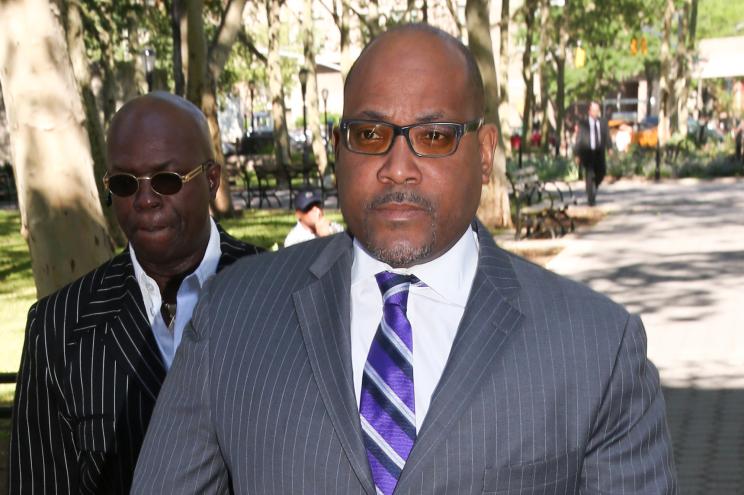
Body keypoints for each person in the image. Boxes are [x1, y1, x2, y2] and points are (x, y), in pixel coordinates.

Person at [133, 25, 676, 494]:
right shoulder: (231, 317)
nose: (397, 168)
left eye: (434, 137)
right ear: (340, 148)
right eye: (370, 134)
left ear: (484, 155)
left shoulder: (596, 349)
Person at [8, 92, 263, 494]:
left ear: (211, 180)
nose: (145, 200)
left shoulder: (286, 297)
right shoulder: (57, 327)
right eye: (126, 184)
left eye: (166, 180)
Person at [576, 101, 610, 205]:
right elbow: (579, 139)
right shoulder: (583, 123)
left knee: (602, 172)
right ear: (589, 111)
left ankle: (594, 184)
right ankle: (591, 198)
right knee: (589, 175)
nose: (596, 112)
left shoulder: (603, 122)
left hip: (599, 152)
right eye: (594, 110)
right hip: (588, 152)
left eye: (597, 110)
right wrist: (577, 154)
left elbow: (607, 136)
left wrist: (610, 147)